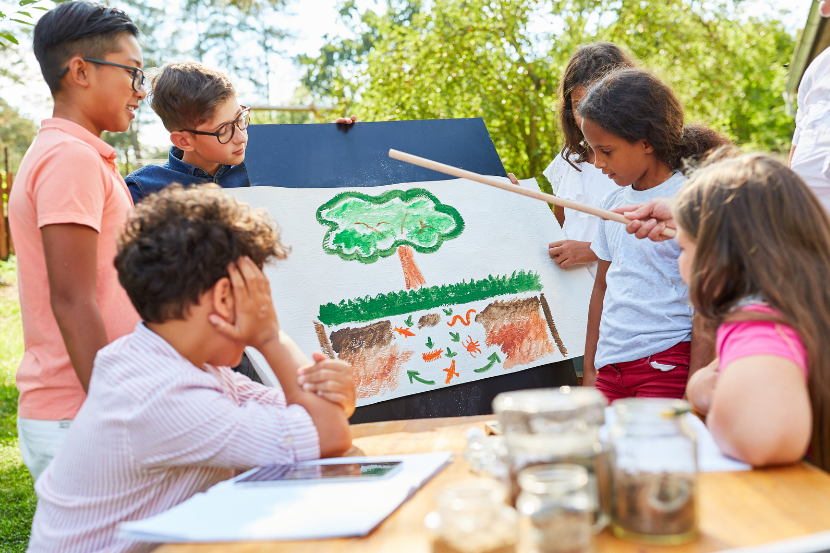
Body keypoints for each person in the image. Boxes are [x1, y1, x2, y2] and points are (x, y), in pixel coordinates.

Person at [27, 184, 355, 552]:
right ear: (225, 297)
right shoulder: (161, 395)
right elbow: (327, 437)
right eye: (259, 295)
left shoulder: (160, 362)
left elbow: (311, 417)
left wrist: (332, 395)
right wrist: (269, 336)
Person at [8, 1, 145, 479]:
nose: (140, 92)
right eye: (132, 73)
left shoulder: (79, 154)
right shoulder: (70, 159)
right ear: (81, 71)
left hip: (87, 407)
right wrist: (114, 411)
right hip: (83, 411)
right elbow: (72, 300)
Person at [576, 67, 732, 401]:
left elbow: (708, 304)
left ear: (646, 142)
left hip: (666, 363)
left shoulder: (693, 199)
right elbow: (602, 286)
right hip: (610, 368)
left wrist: (696, 384)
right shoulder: (611, 203)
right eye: (592, 151)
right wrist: (591, 370)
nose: (598, 164)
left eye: (606, 151)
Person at [676, 154, 828, 470]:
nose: (679, 262)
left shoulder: (760, 324)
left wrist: (719, 403)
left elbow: (764, 437)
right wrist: (706, 387)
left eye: (683, 248)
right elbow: (707, 381)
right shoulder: (800, 309)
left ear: (717, 257)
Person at [124, 61, 358, 204]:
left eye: (240, 119)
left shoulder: (266, 165)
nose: (241, 137)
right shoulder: (143, 192)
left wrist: (338, 143)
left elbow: (322, 188)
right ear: (184, 140)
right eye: (224, 130)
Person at [544, 42, 636, 277]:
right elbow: (558, 228)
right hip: (572, 290)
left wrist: (593, 250)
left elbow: (652, 239)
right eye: (578, 105)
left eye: (598, 103)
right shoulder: (568, 161)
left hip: (619, 291)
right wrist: (521, 202)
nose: (588, 115)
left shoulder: (639, 162)